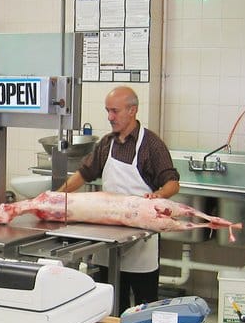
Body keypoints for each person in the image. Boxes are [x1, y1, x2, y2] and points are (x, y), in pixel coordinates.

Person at [57, 86, 180, 310]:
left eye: (114, 111)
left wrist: (159, 195)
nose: (110, 117)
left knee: (145, 309)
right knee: (109, 305)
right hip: (109, 240)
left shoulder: (151, 144)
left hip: (140, 244)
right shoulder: (107, 143)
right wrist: (57, 196)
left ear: (132, 110)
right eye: (107, 111)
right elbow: (84, 174)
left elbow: (172, 182)